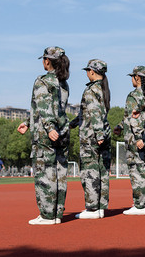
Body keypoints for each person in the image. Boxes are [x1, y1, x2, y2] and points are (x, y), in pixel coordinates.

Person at [17, 46, 70, 225]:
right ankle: (56, 214)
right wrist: (28, 122)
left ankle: (47, 215)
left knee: (44, 173)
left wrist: (48, 127)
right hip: (63, 131)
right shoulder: (63, 82)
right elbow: (55, 108)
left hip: (47, 134)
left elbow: (44, 108)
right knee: (59, 173)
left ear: (47, 61)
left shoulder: (43, 81)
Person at [70, 59, 111, 219]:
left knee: (89, 171)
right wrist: (72, 123)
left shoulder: (91, 90)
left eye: (88, 71)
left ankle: (92, 208)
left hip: (91, 136)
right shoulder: (103, 88)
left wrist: (98, 134)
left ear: (92, 72)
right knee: (102, 171)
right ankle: (100, 206)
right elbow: (88, 113)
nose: (87, 74)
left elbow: (94, 112)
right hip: (101, 134)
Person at [114, 66, 145, 215]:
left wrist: (138, 137)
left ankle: (139, 205)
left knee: (136, 171)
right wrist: (119, 126)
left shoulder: (133, 96)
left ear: (138, 78)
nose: (131, 79)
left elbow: (132, 118)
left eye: (133, 76)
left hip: (135, 140)